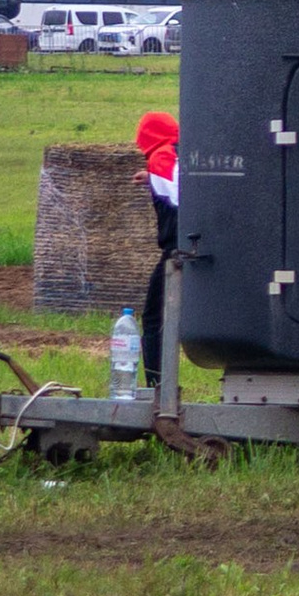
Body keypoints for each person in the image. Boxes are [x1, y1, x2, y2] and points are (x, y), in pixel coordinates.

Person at [132, 109, 180, 390]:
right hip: (190, 244)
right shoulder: (179, 151)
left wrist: (153, 174)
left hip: (176, 249)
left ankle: (156, 387)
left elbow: (177, 195)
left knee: (153, 318)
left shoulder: (161, 156)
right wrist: (151, 178)